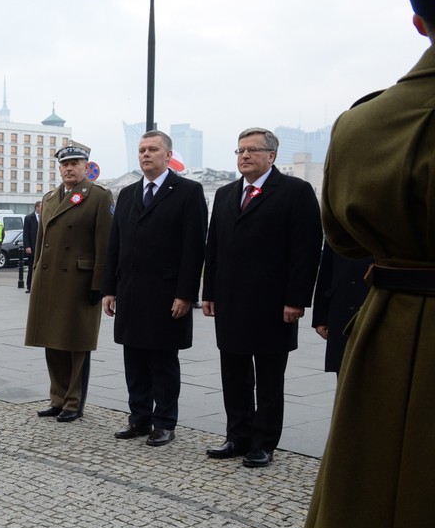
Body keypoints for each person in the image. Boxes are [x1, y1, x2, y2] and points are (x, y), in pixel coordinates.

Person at [293, 0, 435, 528]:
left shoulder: (365, 124)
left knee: (368, 517)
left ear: (418, 21)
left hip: (389, 334)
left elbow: (345, 238)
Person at [200, 128, 322, 468]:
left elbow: (306, 250)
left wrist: (296, 299)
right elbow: (214, 248)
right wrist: (208, 292)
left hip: (273, 303)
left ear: (272, 156)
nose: (244, 156)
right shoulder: (225, 194)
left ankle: (264, 441)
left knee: (269, 378)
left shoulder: (295, 192)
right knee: (234, 372)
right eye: (239, 150)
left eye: (253, 150)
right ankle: (237, 435)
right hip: (231, 300)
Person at [101, 130, 207, 447]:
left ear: (167, 154)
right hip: (130, 292)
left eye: (153, 149)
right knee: (133, 361)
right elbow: (114, 244)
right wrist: (109, 289)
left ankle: (164, 422)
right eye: (142, 150)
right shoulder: (129, 193)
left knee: (162, 362)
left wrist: (186, 293)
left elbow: (194, 248)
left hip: (166, 294)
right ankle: (139, 418)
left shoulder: (187, 191)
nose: (146, 155)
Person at [25, 143, 113, 423]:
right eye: (65, 164)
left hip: (80, 280)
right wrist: (36, 272)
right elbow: (41, 243)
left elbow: (105, 243)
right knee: (52, 341)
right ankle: (57, 398)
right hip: (50, 279)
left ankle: (74, 402)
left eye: (75, 163)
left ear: (86, 167)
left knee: (76, 343)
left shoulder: (98, 196)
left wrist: (99, 283)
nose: (69, 168)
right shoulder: (50, 197)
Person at [311, 242, 371, 375]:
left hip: (372, 306)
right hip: (342, 308)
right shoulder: (339, 223)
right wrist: (320, 318)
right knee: (343, 369)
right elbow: (326, 272)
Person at [22, 201, 41, 293]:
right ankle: (29, 286)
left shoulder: (45, 218)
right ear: (36, 207)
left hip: (41, 248)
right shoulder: (29, 218)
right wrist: (27, 246)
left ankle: (39, 286)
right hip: (32, 248)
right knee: (31, 268)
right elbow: (25, 234)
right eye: (41, 207)